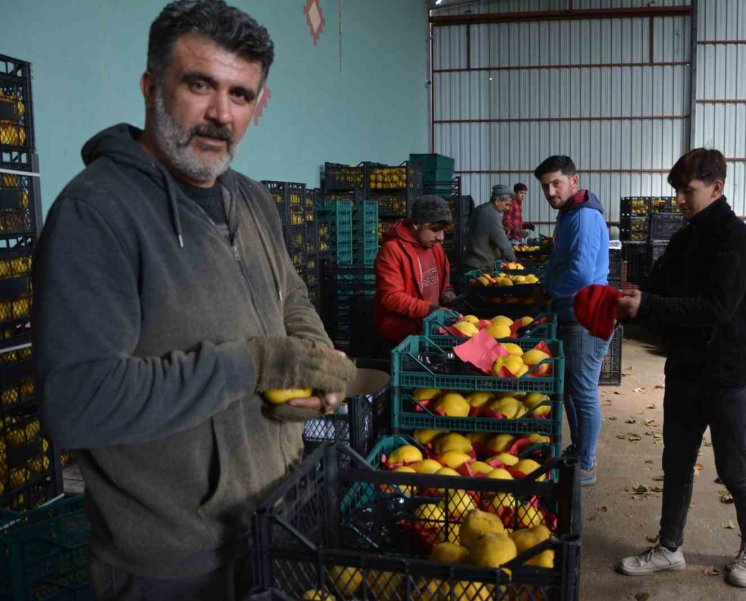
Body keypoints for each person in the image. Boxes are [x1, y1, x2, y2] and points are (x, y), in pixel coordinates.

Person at [32, 2, 357, 599]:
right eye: (200, 85)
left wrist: (310, 354)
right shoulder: (96, 213)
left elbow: (292, 296)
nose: (219, 115)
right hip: (172, 560)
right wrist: (254, 364)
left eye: (240, 94)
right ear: (152, 87)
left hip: (275, 521)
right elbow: (77, 402)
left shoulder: (253, 200)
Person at [613, 148, 746, 588]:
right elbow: (659, 286)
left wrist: (651, 303)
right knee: (677, 461)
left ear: (716, 188)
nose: (679, 199)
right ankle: (669, 547)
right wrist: (634, 295)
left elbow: (717, 309)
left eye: (688, 190)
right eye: (676, 190)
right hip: (684, 368)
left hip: (727, 374)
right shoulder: (685, 238)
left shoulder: (739, 241)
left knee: (733, 466)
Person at [533, 155, 610, 486]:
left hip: (586, 315)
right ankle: (578, 449)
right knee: (569, 390)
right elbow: (559, 260)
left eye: (557, 183)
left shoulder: (585, 217)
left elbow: (579, 273)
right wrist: (541, 279)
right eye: (546, 186)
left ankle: (587, 463)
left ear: (573, 181)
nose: (551, 191)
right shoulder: (568, 214)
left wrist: (549, 287)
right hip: (569, 312)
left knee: (583, 391)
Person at [374, 195, 456, 347]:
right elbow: (390, 297)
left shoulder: (435, 247)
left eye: (443, 230)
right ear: (417, 224)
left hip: (428, 330)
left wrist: (447, 295)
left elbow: (441, 283)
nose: (440, 237)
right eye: (435, 230)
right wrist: (429, 309)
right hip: (403, 338)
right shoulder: (392, 250)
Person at [464, 184, 517, 270]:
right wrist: (514, 262)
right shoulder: (491, 214)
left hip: (471, 260)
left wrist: (502, 228)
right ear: (497, 201)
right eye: (507, 204)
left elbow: (484, 230)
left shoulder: (480, 208)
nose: (508, 209)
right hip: (480, 265)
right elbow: (503, 243)